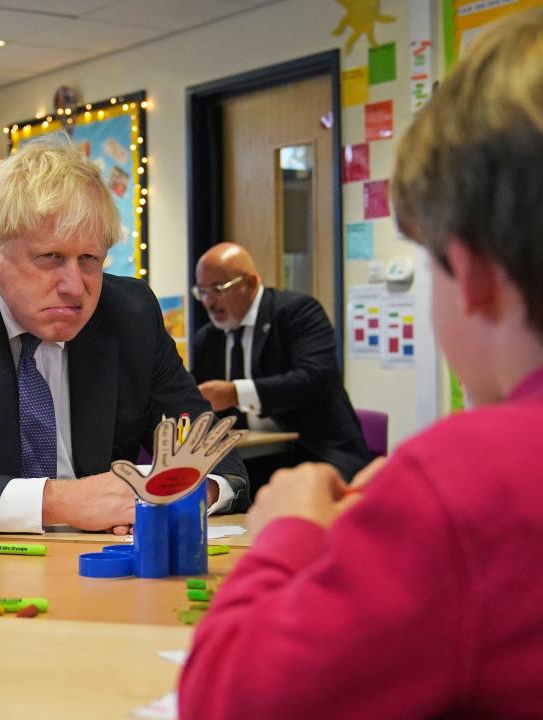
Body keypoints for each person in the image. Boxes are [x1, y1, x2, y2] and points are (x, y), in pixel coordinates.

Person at [179, 9, 543, 718]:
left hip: (312, 476)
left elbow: (231, 697)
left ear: (470, 276)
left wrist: (287, 536)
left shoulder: (469, 481)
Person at [0, 139, 248, 537]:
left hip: (92, 564)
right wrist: (60, 501)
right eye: (50, 258)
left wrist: (186, 491)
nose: (74, 286)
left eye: (89, 259)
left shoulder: (130, 313)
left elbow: (213, 453)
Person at [191, 242, 371, 481]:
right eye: (201, 291)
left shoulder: (298, 312)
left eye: (218, 288)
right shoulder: (208, 338)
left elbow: (313, 379)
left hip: (317, 451)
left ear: (251, 283)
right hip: (246, 459)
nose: (208, 302)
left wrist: (236, 393)